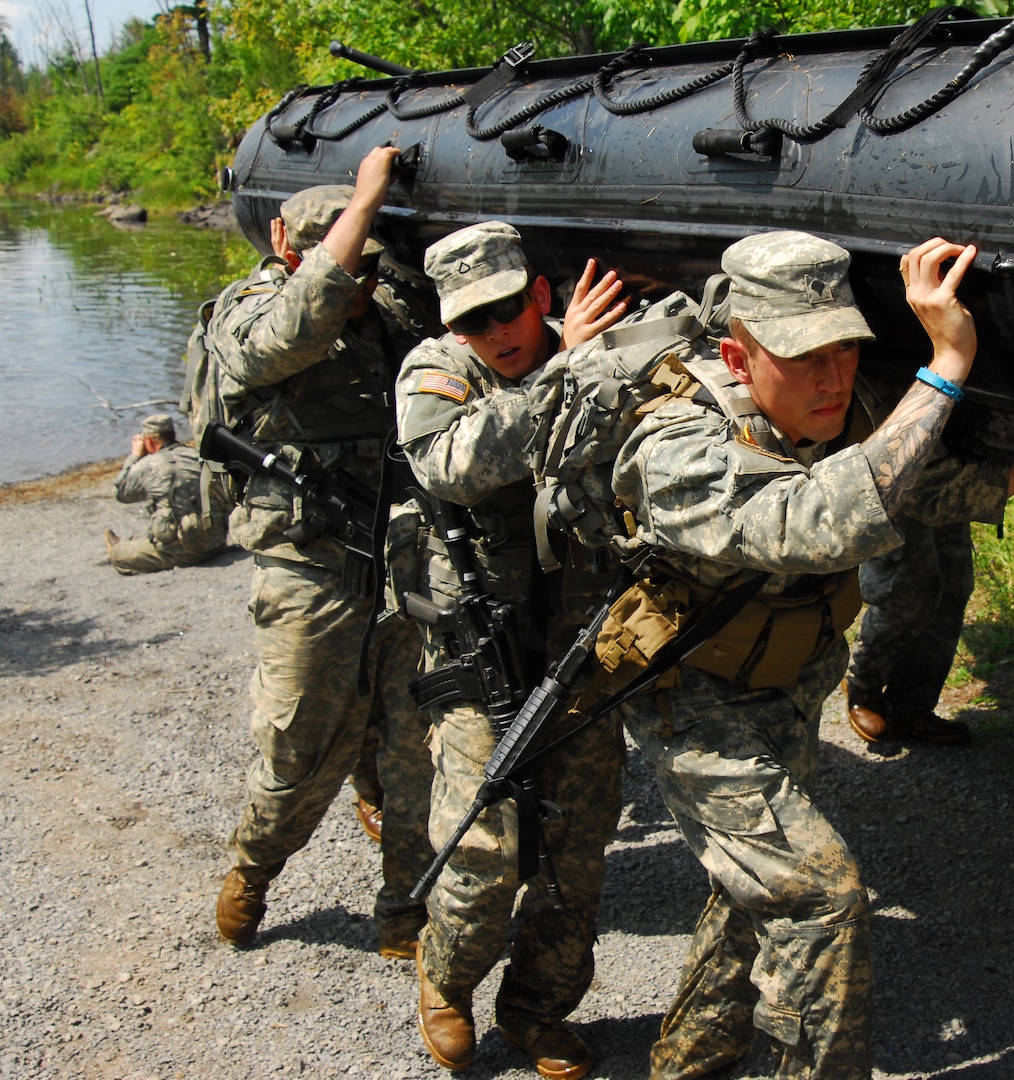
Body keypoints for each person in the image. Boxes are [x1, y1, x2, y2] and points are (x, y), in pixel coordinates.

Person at [608, 231, 1014, 1079]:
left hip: (785, 683)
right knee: (819, 894)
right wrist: (945, 362)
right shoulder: (676, 446)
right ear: (737, 352)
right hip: (694, 704)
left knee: (752, 898)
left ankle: (686, 1061)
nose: (833, 378)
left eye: (845, 350)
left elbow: (940, 487)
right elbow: (815, 521)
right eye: (805, 356)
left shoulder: (842, 410)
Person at [396, 221, 626, 1076]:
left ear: (539, 293)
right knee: (485, 842)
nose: (494, 333)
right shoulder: (436, 370)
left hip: (580, 644)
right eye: (471, 321)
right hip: (479, 652)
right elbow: (450, 465)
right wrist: (570, 365)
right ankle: (445, 982)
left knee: (575, 847)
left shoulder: (592, 351)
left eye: (506, 309)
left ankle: (536, 1007)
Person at [212, 147, 436, 961]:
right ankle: (255, 867)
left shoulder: (390, 310)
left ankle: (403, 910)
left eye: (367, 268)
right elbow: (288, 331)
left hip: (402, 556)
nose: (356, 284)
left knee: (416, 740)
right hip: (310, 566)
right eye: (339, 260)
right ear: (282, 244)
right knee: (302, 741)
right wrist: (366, 198)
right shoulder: (247, 313)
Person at [844, 518, 974, 747]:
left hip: (950, 486)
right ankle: (864, 684)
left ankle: (911, 706)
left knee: (952, 584)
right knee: (905, 587)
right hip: (896, 488)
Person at [103, 412, 228, 574]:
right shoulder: (196, 455)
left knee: (117, 555)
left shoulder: (149, 464)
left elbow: (121, 493)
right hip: (216, 542)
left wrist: (134, 456)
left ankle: (119, 547)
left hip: (180, 552)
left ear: (148, 440)